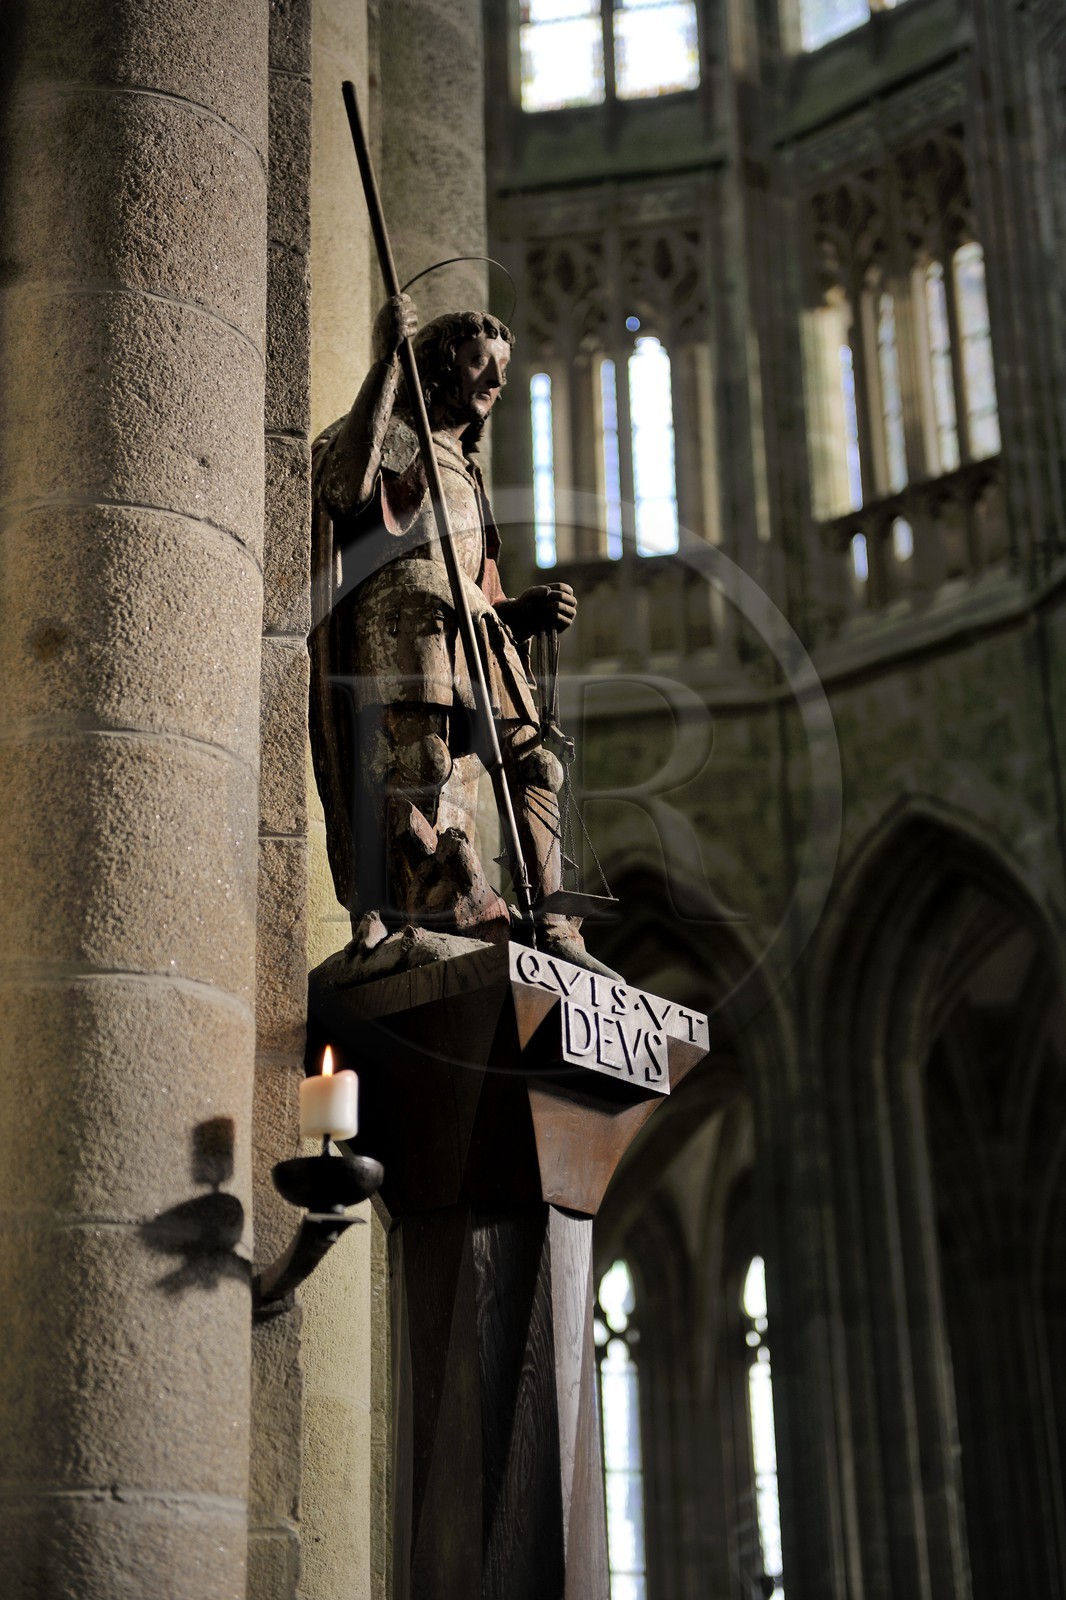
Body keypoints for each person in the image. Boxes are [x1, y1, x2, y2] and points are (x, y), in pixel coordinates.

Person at [310, 293, 608, 974]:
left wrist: (522, 610)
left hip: (475, 623)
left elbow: (487, 584)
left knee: (538, 764)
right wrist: (385, 368)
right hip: (407, 610)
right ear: (442, 368)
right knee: (421, 765)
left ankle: (557, 928)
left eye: (500, 368)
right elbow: (343, 492)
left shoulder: (468, 472)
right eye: (480, 363)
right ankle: (409, 903)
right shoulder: (395, 435)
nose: (495, 382)